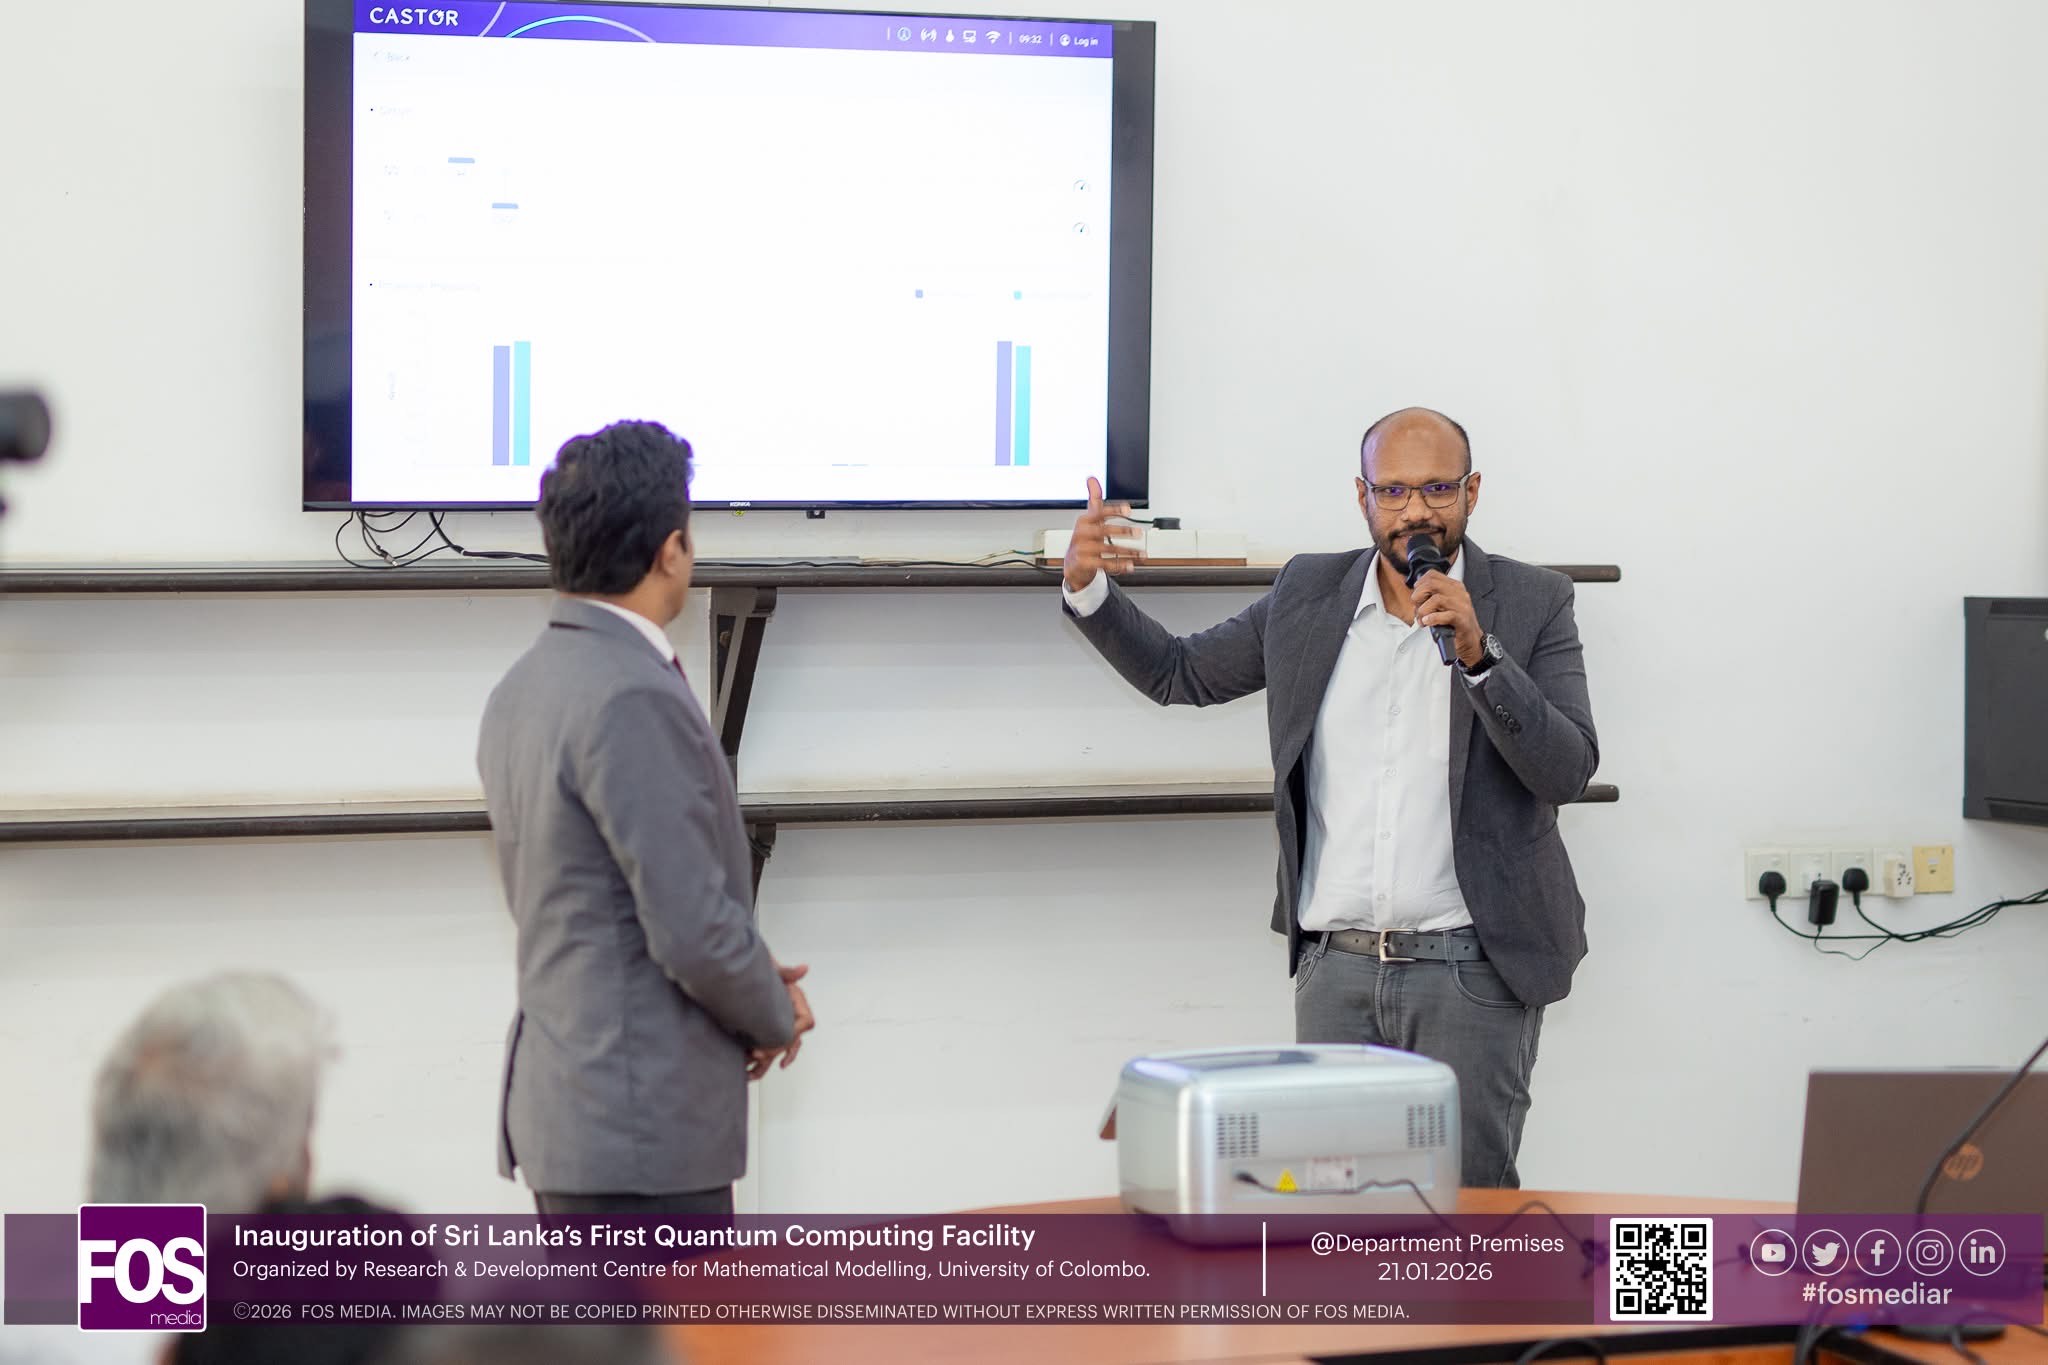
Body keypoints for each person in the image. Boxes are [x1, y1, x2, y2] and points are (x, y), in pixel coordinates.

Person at [1060, 407, 1597, 1188]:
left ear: (1473, 491)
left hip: (1472, 974)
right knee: (1335, 1209)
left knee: (1466, 1213)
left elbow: (1567, 769)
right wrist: (1087, 588)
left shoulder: (1533, 600)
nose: (1415, 510)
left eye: (1437, 488)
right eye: (1394, 490)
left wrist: (1481, 657)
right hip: (1336, 975)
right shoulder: (1308, 592)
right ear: (1363, 496)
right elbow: (1181, 672)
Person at [478, 419, 812, 1217]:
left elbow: (602, 903)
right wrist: (771, 1010)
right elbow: (688, 924)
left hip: (578, 1113)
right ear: (671, 549)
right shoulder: (630, 694)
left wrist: (751, 973)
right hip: (641, 1129)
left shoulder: (524, 685)